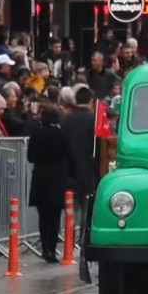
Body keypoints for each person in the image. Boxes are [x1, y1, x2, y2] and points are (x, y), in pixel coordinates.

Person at [28, 104, 76, 263]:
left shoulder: (36, 134)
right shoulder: (63, 135)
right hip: (58, 178)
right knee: (55, 216)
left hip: (41, 176)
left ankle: (45, 248)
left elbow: (31, 157)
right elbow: (70, 156)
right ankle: (52, 249)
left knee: (43, 216)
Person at [61, 87, 96, 229]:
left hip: (69, 170)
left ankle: (68, 239)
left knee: (70, 209)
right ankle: (82, 241)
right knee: (86, 210)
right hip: (89, 171)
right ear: (91, 101)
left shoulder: (67, 120)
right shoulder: (94, 120)